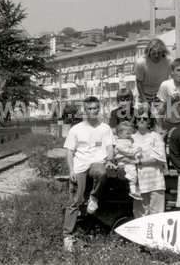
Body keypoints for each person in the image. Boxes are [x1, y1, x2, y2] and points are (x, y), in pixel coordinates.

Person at [62, 96, 116, 252]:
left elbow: (109, 148)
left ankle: (94, 197)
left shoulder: (104, 128)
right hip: (80, 166)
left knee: (102, 171)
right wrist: (71, 170)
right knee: (75, 200)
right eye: (89, 109)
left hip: (96, 164)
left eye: (95, 109)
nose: (92, 112)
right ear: (84, 111)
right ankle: (68, 236)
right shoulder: (76, 129)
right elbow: (70, 152)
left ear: (99, 110)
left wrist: (110, 159)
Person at [130, 108, 167, 217]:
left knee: (157, 217)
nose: (141, 120)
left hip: (156, 182)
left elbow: (158, 158)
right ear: (135, 121)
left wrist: (139, 161)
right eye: (139, 118)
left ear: (149, 121)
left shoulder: (155, 136)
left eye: (145, 118)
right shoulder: (131, 138)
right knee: (139, 216)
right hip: (138, 184)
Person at [135, 38, 171, 104]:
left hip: (161, 94)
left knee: (168, 112)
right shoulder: (141, 62)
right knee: (143, 112)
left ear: (163, 52)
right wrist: (145, 101)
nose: (156, 56)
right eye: (154, 53)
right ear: (149, 52)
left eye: (159, 53)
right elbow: (139, 83)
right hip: (144, 94)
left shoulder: (168, 61)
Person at [114, 121, 143, 200]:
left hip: (129, 161)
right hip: (122, 161)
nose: (129, 135)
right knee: (132, 174)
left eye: (130, 133)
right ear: (120, 134)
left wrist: (137, 153)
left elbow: (132, 149)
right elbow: (127, 152)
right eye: (127, 133)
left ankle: (133, 191)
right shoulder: (119, 142)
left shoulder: (129, 140)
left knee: (133, 174)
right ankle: (133, 190)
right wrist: (135, 151)